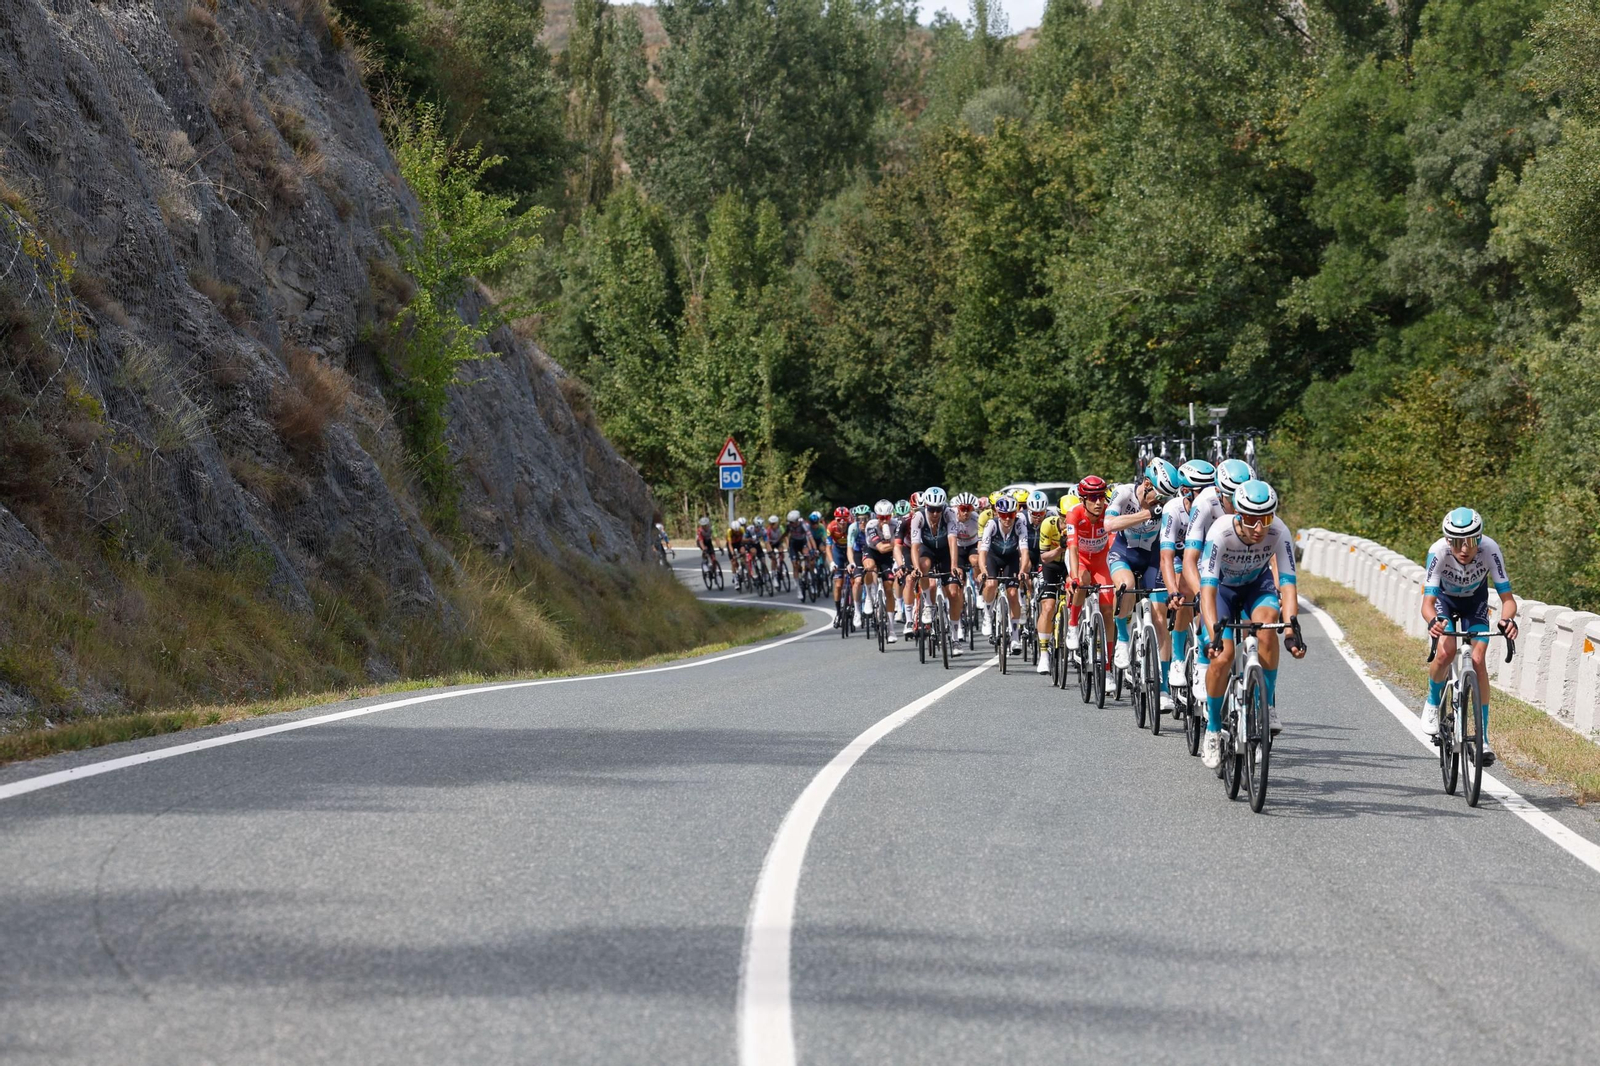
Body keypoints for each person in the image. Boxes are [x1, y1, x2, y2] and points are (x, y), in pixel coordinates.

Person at [1197, 479, 1305, 769]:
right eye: (1252, 520)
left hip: (1256, 586)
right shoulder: (1220, 533)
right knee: (1223, 656)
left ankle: (1267, 704)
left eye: (1266, 519)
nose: (1260, 528)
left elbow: (1288, 584)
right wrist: (1213, 635)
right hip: (1222, 590)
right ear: (1238, 515)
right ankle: (1213, 729)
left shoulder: (1279, 531)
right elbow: (1206, 591)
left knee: (1269, 624)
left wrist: (1292, 630)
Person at [1420, 507, 1519, 765]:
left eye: (1472, 541)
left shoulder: (1490, 549)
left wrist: (1507, 619)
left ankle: (1483, 737)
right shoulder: (1438, 551)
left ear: (1480, 539)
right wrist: (1433, 621)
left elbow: (1508, 600)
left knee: (1477, 660)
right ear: (1447, 541)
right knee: (1446, 651)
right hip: (1445, 602)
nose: (1464, 549)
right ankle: (1432, 703)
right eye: (1456, 542)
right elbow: (1427, 603)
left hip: (1475, 602)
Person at [1107, 461, 1182, 709]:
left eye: (1168, 498)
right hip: (1123, 553)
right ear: (1147, 483)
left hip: (1152, 556)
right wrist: (1147, 514)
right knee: (1126, 586)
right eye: (1160, 495)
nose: (1163, 502)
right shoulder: (1124, 493)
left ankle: (1163, 690)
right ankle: (1123, 639)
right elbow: (1109, 525)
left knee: (1160, 619)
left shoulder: (1166, 504)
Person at [1161, 460, 1215, 693]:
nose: (1208, 493)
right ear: (1185, 491)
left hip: (1203, 557)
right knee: (1184, 592)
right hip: (1177, 558)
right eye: (1200, 489)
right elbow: (1166, 557)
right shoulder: (1173, 510)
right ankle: (1177, 657)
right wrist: (1173, 591)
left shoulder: (1213, 506)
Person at [908, 487, 965, 655]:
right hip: (928, 550)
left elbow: (953, 541)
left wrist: (954, 565)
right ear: (926, 507)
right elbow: (914, 547)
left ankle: (955, 639)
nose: (935, 513)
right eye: (931, 509)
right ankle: (928, 604)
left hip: (946, 552)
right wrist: (916, 568)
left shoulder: (949, 515)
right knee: (923, 566)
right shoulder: (918, 517)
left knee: (954, 594)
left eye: (938, 509)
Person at [1063, 476, 1113, 663]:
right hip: (1080, 558)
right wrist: (1074, 577)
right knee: (1082, 581)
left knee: (1108, 609)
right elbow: (1073, 547)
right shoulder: (1073, 514)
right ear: (1083, 500)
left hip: (1100, 560)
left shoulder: (1109, 513)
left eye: (1101, 497)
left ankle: (1108, 667)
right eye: (1092, 498)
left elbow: (1113, 542)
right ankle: (1073, 624)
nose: (1098, 502)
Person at [979, 494, 1031, 654]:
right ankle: (987, 615)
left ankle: (1015, 636)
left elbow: (1024, 551)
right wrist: (983, 571)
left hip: (1011, 559)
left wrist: (1023, 571)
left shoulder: (1020, 525)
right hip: (993, 558)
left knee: (1013, 593)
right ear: (997, 514)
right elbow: (982, 552)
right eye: (1003, 515)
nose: (1007, 519)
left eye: (1011, 515)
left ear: (1015, 514)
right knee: (991, 583)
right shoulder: (991, 525)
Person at [1033, 495, 1073, 675]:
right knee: (1048, 607)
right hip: (1050, 564)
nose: (1067, 521)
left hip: (1068, 564)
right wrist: (1060, 548)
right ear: (1058, 515)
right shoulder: (1048, 524)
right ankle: (1043, 654)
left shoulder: (1078, 525)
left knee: (1074, 598)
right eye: (1064, 517)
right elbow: (1044, 557)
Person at [863, 500, 899, 642]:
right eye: (881, 517)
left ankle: (891, 629)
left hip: (887, 557)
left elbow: (896, 546)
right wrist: (894, 544)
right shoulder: (871, 525)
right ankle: (869, 597)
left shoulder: (896, 525)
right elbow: (881, 548)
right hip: (873, 550)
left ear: (891, 515)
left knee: (889, 588)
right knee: (869, 567)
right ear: (876, 516)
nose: (884, 520)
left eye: (887, 517)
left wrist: (895, 545)